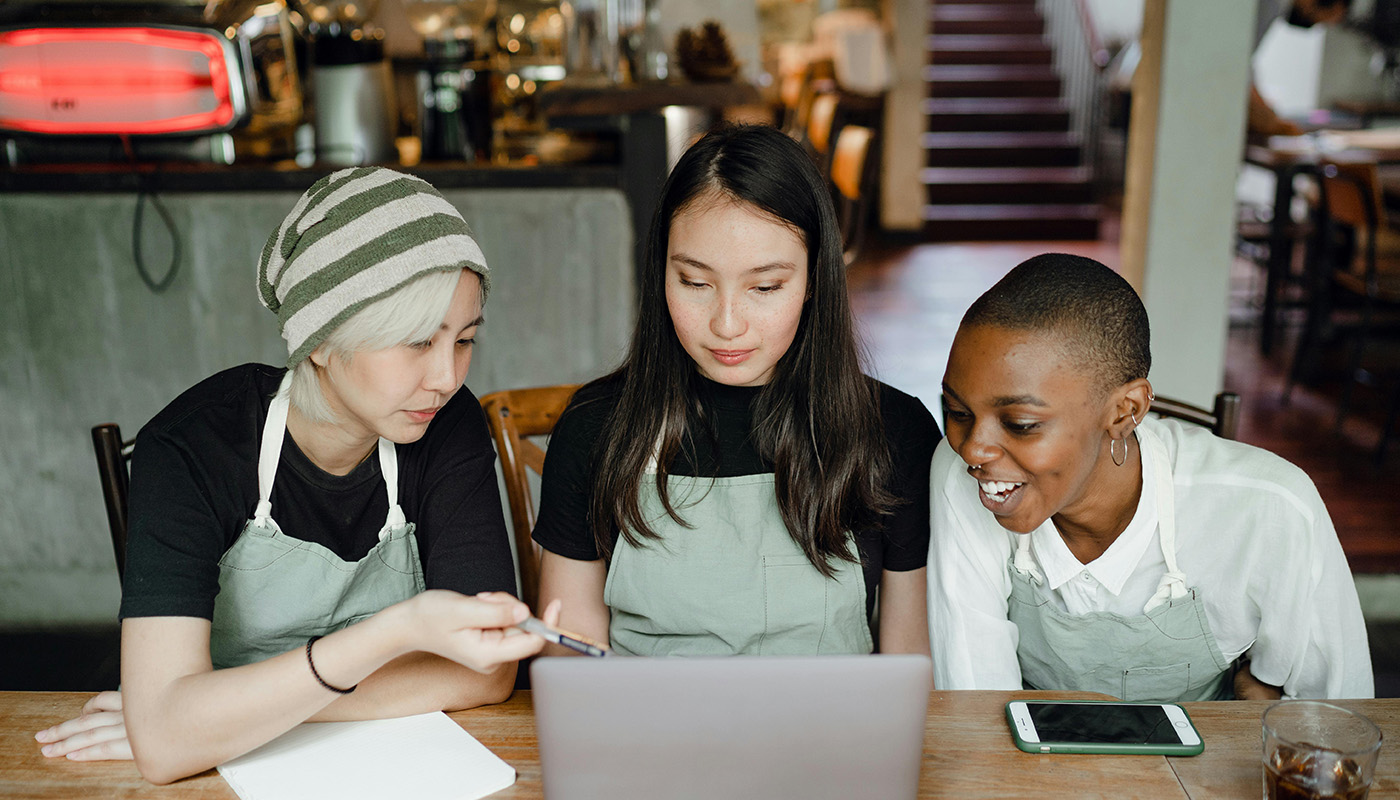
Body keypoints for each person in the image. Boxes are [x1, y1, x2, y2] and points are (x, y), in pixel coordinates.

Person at [34, 167, 557, 783]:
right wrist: (399, 634)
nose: (447, 377)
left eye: (464, 339)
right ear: (321, 340)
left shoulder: (447, 426)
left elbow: (485, 673)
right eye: (417, 342)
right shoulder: (192, 447)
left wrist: (221, 720)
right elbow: (166, 749)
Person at [531, 124, 940, 658]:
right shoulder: (595, 427)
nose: (727, 324)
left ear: (815, 278)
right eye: (695, 283)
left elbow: (911, 660)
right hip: (643, 738)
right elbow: (570, 654)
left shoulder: (894, 431)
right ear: (661, 272)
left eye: (765, 287)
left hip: (830, 739)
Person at [928, 253, 1373, 701]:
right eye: (958, 411)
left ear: (1126, 411)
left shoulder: (1269, 507)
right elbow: (976, 708)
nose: (973, 449)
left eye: (1021, 424)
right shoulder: (959, 479)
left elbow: (1336, 725)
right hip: (1030, 761)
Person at [1248, 0, 1351, 137]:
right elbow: (1237, 68)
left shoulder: (1274, 6)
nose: (1313, 23)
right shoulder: (1268, 4)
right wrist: (1271, 121)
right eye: (1317, 21)